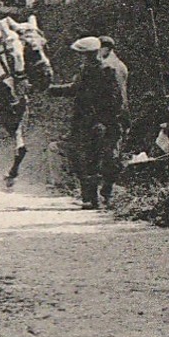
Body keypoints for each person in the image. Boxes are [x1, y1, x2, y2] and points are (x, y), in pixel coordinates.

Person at [48, 36, 127, 208]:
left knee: (102, 159)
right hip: (88, 123)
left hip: (102, 123)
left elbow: (117, 100)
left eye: (83, 54)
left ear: (90, 54)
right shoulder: (88, 70)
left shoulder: (108, 71)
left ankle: (102, 195)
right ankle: (92, 199)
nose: (82, 58)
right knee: (88, 159)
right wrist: (50, 89)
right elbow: (74, 89)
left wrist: (105, 121)